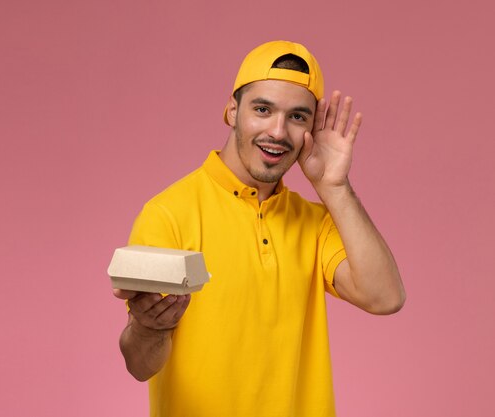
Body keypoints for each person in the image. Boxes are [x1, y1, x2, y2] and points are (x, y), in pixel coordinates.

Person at [113, 40, 405, 417]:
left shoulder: (314, 221)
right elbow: (140, 365)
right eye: (263, 109)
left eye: (297, 117)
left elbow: (386, 297)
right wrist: (149, 328)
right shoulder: (169, 212)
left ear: (310, 129)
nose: (278, 131)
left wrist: (335, 188)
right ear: (232, 111)